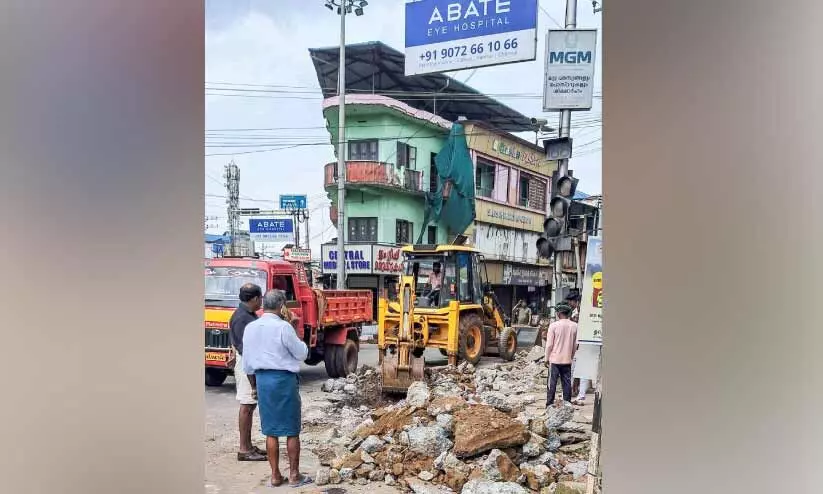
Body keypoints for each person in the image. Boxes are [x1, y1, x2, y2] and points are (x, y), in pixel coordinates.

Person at [242, 289, 312, 488]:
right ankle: (294, 475)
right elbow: (302, 353)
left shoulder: (251, 328)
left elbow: (246, 363)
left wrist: (254, 385)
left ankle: (275, 476)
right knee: (291, 430)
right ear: (282, 306)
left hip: (263, 380)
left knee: (271, 431)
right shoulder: (284, 327)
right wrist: (295, 327)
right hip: (283, 380)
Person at [228, 283, 267, 462]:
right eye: (260, 298)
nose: (261, 302)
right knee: (247, 405)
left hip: (246, 363)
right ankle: (244, 449)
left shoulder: (246, 315)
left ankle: (248, 446)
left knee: (249, 406)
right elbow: (246, 351)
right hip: (246, 365)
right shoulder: (243, 318)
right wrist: (253, 382)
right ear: (254, 299)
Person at [544, 302, 578, 407]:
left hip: (554, 359)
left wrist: (546, 358)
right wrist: (571, 356)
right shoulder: (575, 326)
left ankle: (549, 403)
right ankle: (567, 403)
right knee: (567, 383)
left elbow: (549, 345)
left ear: (559, 313)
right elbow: (575, 344)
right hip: (567, 360)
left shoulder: (554, 325)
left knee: (552, 383)